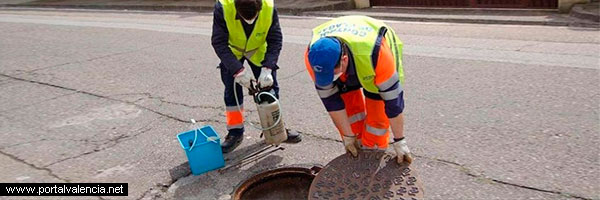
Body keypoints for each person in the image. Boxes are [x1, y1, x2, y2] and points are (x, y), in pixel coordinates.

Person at [304, 16, 413, 164]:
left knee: (377, 120)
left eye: (332, 73)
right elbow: (332, 102)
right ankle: (359, 152)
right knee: (351, 117)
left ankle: (374, 156)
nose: (330, 78)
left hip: (372, 59)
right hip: (348, 59)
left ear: (344, 59)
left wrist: (400, 141)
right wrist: (348, 137)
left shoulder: (377, 54)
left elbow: (394, 104)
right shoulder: (315, 58)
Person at [211, 0, 301, 153]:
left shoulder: (269, 7)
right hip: (233, 53)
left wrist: (268, 68)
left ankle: (275, 128)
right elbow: (219, 42)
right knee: (232, 94)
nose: (250, 22)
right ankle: (235, 132)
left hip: (258, 50)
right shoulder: (223, 7)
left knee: (269, 91)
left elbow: (275, 39)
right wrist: (237, 71)